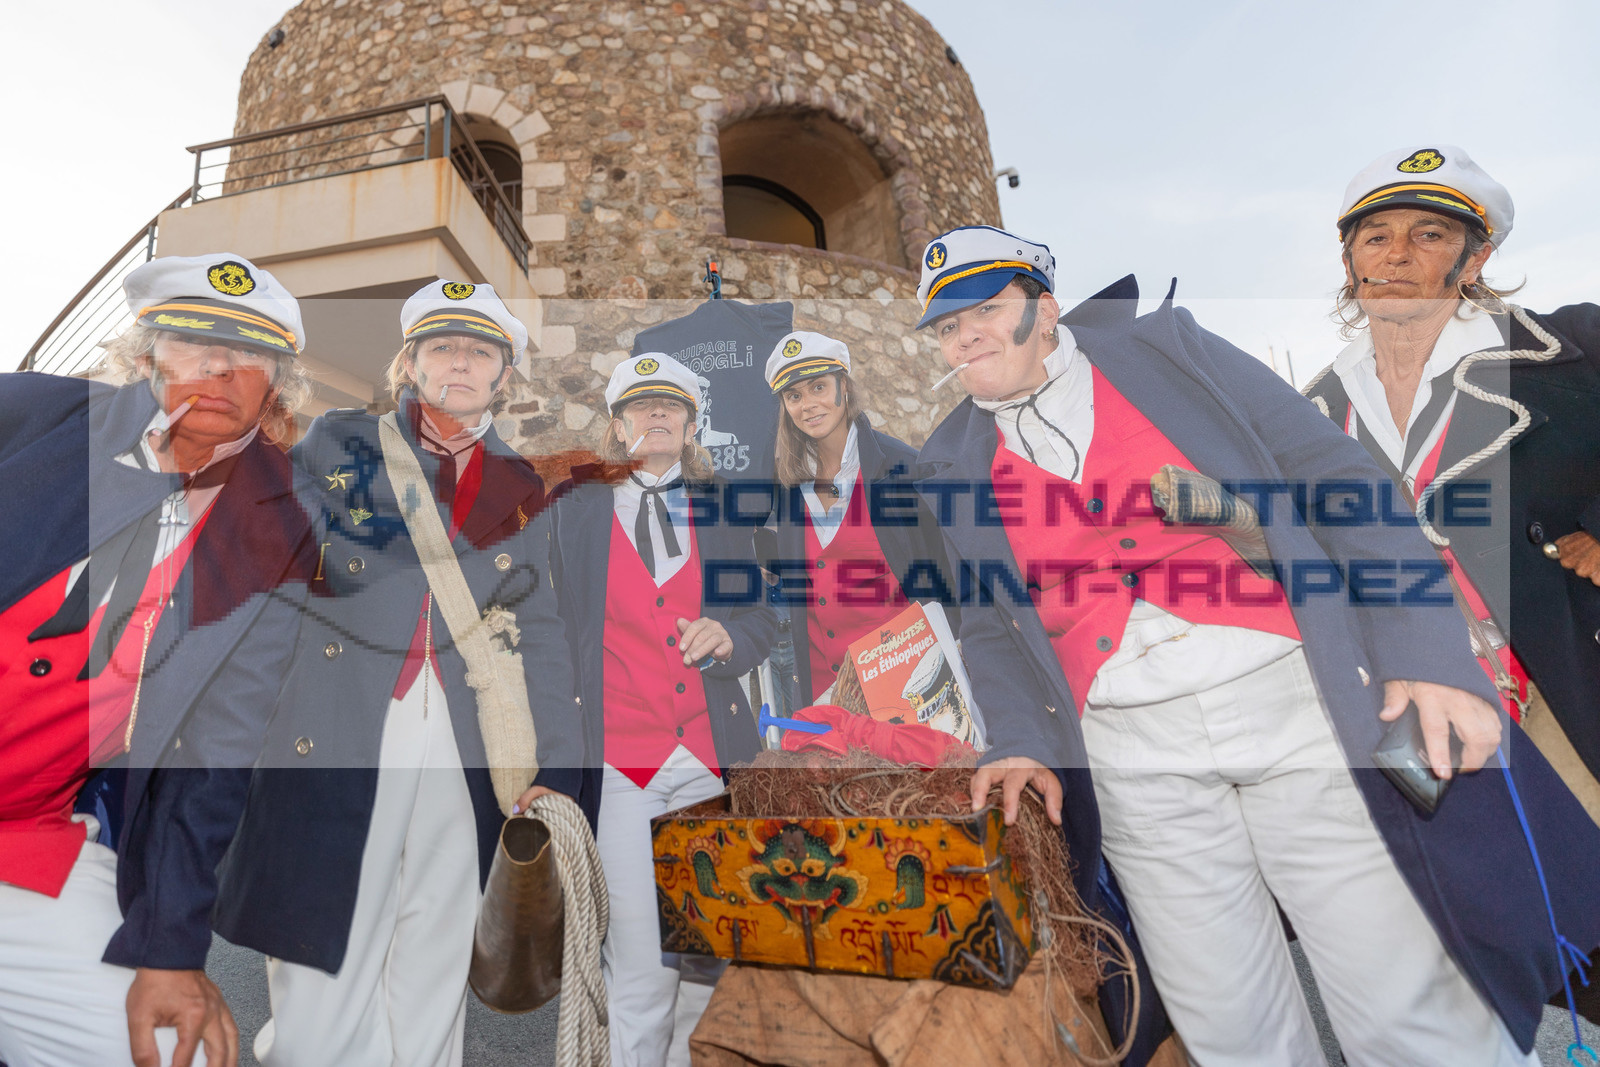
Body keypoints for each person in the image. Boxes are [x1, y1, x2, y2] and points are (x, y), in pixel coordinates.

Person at [912, 224, 1600, 1063]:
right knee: (1233, 1030)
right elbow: (986, 620)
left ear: (1046, 308)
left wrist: (1426, 653)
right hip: (1132, 752)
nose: (967, 333)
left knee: (1405, 1005)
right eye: (948, 325)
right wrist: (1017, 737)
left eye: (988, 307)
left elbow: (1345, 483)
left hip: (1291, 698)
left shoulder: (1167, 353)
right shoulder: (946, 460)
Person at [212, 280, 583, 1067]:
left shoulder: (525, 481)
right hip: (341, 717)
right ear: (409, 362)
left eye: (480, 351)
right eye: (443, 347)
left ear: (503, 375)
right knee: (320, 966)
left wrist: (558, 768)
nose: (461, 363)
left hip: (465, 732)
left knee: (436, 961)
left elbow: (543, 631)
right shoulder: (337, 442)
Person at [0, 253, 317, 1067]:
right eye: (193, 345)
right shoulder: (30, 413)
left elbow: (211, 758)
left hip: (22, 842)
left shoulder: (276, 535)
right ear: (146, 357)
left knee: (171, 1049)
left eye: (246, 355)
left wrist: (172, 950)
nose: (217, 370)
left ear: (275, 386)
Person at [1303, 144, 1600, 827]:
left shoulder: (1573, 349)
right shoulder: (1309, 412)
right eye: (1375, 237)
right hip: (1423, 710)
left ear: (1474, 260)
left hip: (1568, 684)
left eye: (1428, 235)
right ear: (1351, 264)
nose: (1398, 255)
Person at [552, 353, 774, 1066]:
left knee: (713, 970)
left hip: (711, 763)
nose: (656, 418)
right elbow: (550, 634)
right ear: (619, 425)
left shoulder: (725, 510)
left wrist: (733, 637)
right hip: (623, 765)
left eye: (670, 407)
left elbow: (763, 617)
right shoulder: (575, 513)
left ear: (690, 422)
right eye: (641, 408)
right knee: (644, 974)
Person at [764, 330, 951, 710]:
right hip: (822, 698)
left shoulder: (904, 468)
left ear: (843, 387)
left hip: (903, 692)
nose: (808, 405)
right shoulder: (784, 485)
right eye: (794, 396)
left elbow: (947, 583)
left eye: (818, 387)